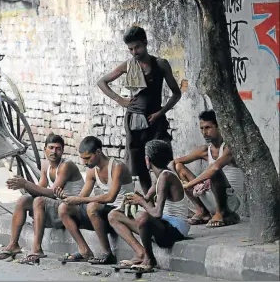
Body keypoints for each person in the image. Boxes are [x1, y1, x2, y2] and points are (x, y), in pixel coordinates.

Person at [97, 26, 182, 195]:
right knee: (140, 165)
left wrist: (160, 112)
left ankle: (169, 198)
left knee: (162, 161)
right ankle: (149, 199)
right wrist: (120, 100)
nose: (134, 52)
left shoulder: (160, 64)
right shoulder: (128, 66)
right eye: (130, 49)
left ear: (145, 43)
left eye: (137, 47)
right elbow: (102, 82)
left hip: (155, 121)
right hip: (134, 122)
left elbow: (176, 94)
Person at [0, 133, 84, 263]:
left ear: (63, 151)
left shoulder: (66, 166)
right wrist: (23, 186)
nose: (54, 152)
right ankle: (13, 245)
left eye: (58, 149)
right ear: (45, 149)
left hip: (73, 208)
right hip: (58, 206)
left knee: (39, 201)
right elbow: (40, 189)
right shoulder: (46, 165)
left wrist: (26, 183)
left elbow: (51, 193)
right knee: (23, 200)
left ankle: (36, 249)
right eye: (51, 148)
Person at [108, 140, 189, 271]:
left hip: (176, 229)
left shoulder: (166, 176)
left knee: (143, 217)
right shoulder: (160, 176)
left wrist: (141, 202)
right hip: (164, 225)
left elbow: (157, 213)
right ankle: (140, 253)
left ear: (147, 160)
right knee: (114, 216)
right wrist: (134, 199)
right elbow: (145, 198)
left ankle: (150, 259)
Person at [55, 136, 135, 265]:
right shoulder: (92, 172)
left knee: (92, 206)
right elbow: (81, 198)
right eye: (83, 158)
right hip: (104, 215)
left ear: (98, 152)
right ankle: (84, 250)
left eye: (87, 158)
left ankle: (107, 253)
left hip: (122, 212)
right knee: (63, 208)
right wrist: (66, 198)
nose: (84, 162)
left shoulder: (117, 166)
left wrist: (82, 200)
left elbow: (110, 197)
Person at [172, 110, 243, 227]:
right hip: (211, 198)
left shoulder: (229, 148)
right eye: (202, 128)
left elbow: (215, 168)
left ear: (219, 127)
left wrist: (189, 185)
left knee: (214, 171)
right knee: (179, 167)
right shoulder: (205, 150)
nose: (204, 132)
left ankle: (221, 213)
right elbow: (175, 162)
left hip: (230, 201)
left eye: (208, 128)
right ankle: (202, 211)